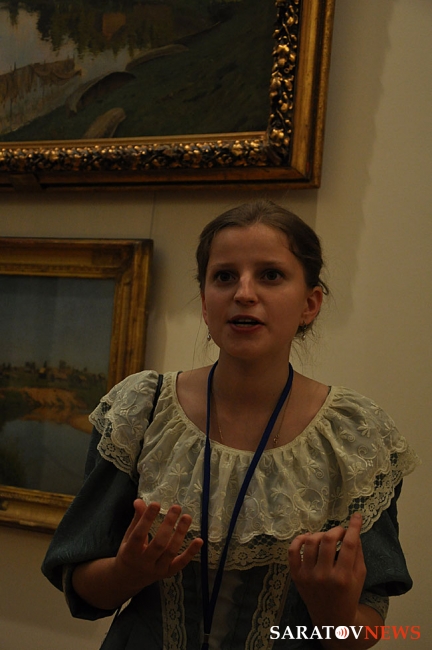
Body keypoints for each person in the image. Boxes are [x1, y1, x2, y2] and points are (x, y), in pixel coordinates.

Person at [42, 200, 419, 649]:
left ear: (310, 304)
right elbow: (82, 589)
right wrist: (128, 572)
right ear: (205, 304)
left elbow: (368, 626)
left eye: (270, 275)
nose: (244, 293)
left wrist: (332, 614)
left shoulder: (353, 436)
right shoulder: (141, 411)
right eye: (224, 276)